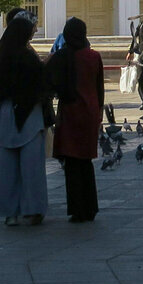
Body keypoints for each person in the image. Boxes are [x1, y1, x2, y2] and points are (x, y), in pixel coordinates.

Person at [0, 13, 49, 226]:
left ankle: (10, 212)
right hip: (29, 115)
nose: (35, 30)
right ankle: (33, 209)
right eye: (33, 27)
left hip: (8, 112)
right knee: (32, 166)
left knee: (7, 167)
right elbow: (37, 81)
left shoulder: (6, 49)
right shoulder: (26, 55)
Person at [47, 16, 104, 223]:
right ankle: (90, 208)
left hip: (70, 112)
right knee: (86, 162)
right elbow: (100, 89)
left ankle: (77, 209)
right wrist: (99, 113)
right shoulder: (93, 56)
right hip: (90, 112)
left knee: (72, 162)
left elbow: (49, 83)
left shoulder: (61, 56)